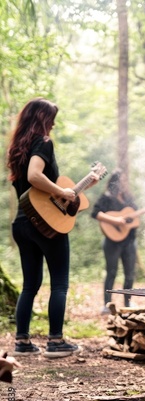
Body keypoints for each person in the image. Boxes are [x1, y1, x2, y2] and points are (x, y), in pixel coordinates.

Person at [7, 97, 99, 357]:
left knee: (29, 285)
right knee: (59, 285)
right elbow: (34, 177)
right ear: (42, 119)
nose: (54, 125)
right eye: (52, 119)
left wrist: (75, 190)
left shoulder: (17, 148)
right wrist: (62, 191)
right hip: (44, 227)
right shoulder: (43, 142)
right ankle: (55, 342)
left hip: (22, 224)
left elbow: (43, 191)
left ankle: (22, 342)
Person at [91, 170, 138, 312]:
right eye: (122, 180)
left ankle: (127, 302)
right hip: (112, 242)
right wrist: (115, 220)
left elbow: (134, 217)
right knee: (111, 272)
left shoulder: (128, 198)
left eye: (125, 180)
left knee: (130, 274)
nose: (124, 183)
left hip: (129, 241)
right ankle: (107, 304)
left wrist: (128, 220)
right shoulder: (107, 198)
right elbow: (95, 213)